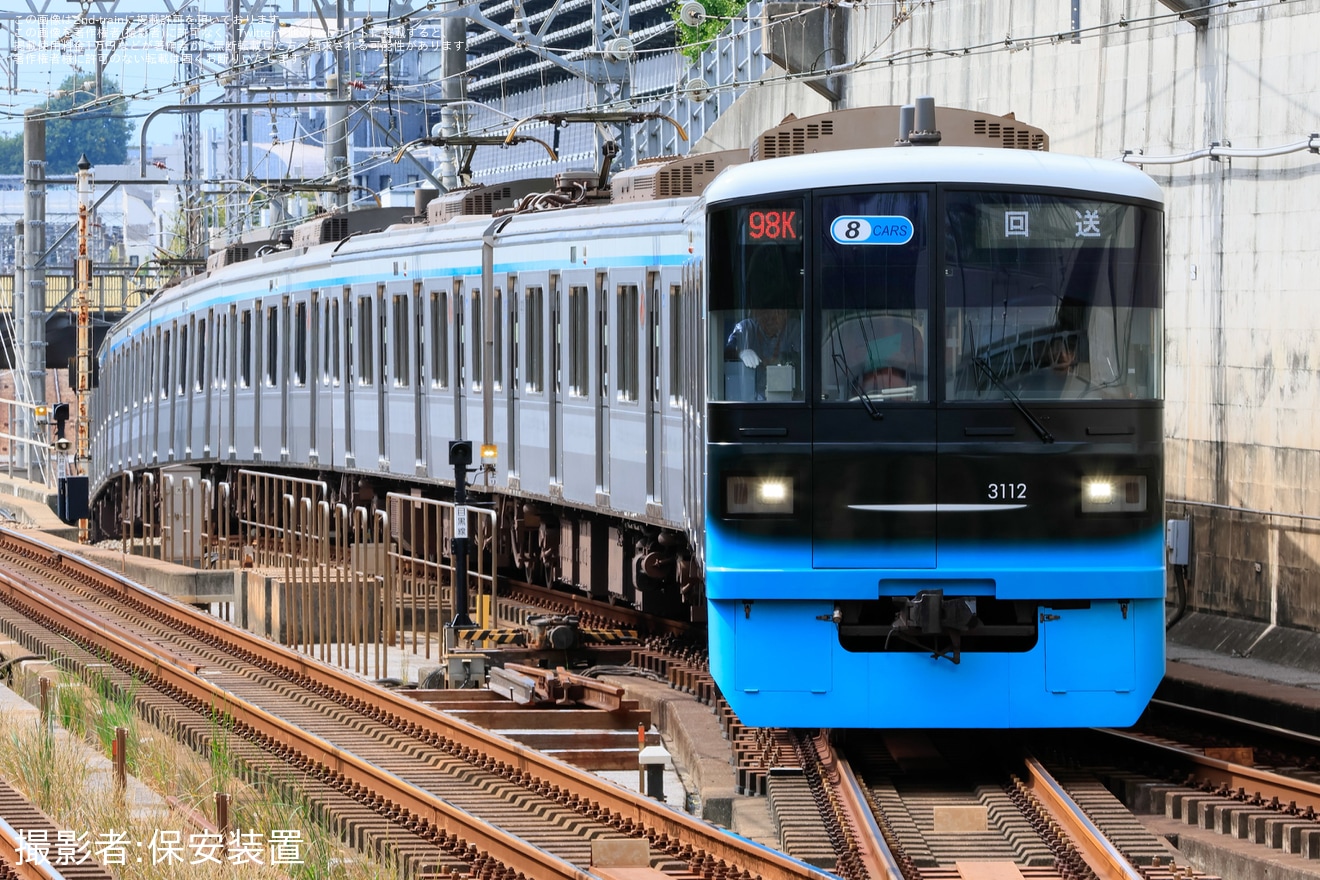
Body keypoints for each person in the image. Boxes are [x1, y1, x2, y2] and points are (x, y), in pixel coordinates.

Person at [725, 309, 802, 400]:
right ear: (756, 314)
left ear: (785, 314)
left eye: (776, 315)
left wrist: (785, 358)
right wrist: (741, 352)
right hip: (753, 398)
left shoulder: (794, 328)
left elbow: (806, 358)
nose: (770, 320)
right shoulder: (746, 327)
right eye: (765, 313)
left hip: (786, 396)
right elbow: (727, 350)